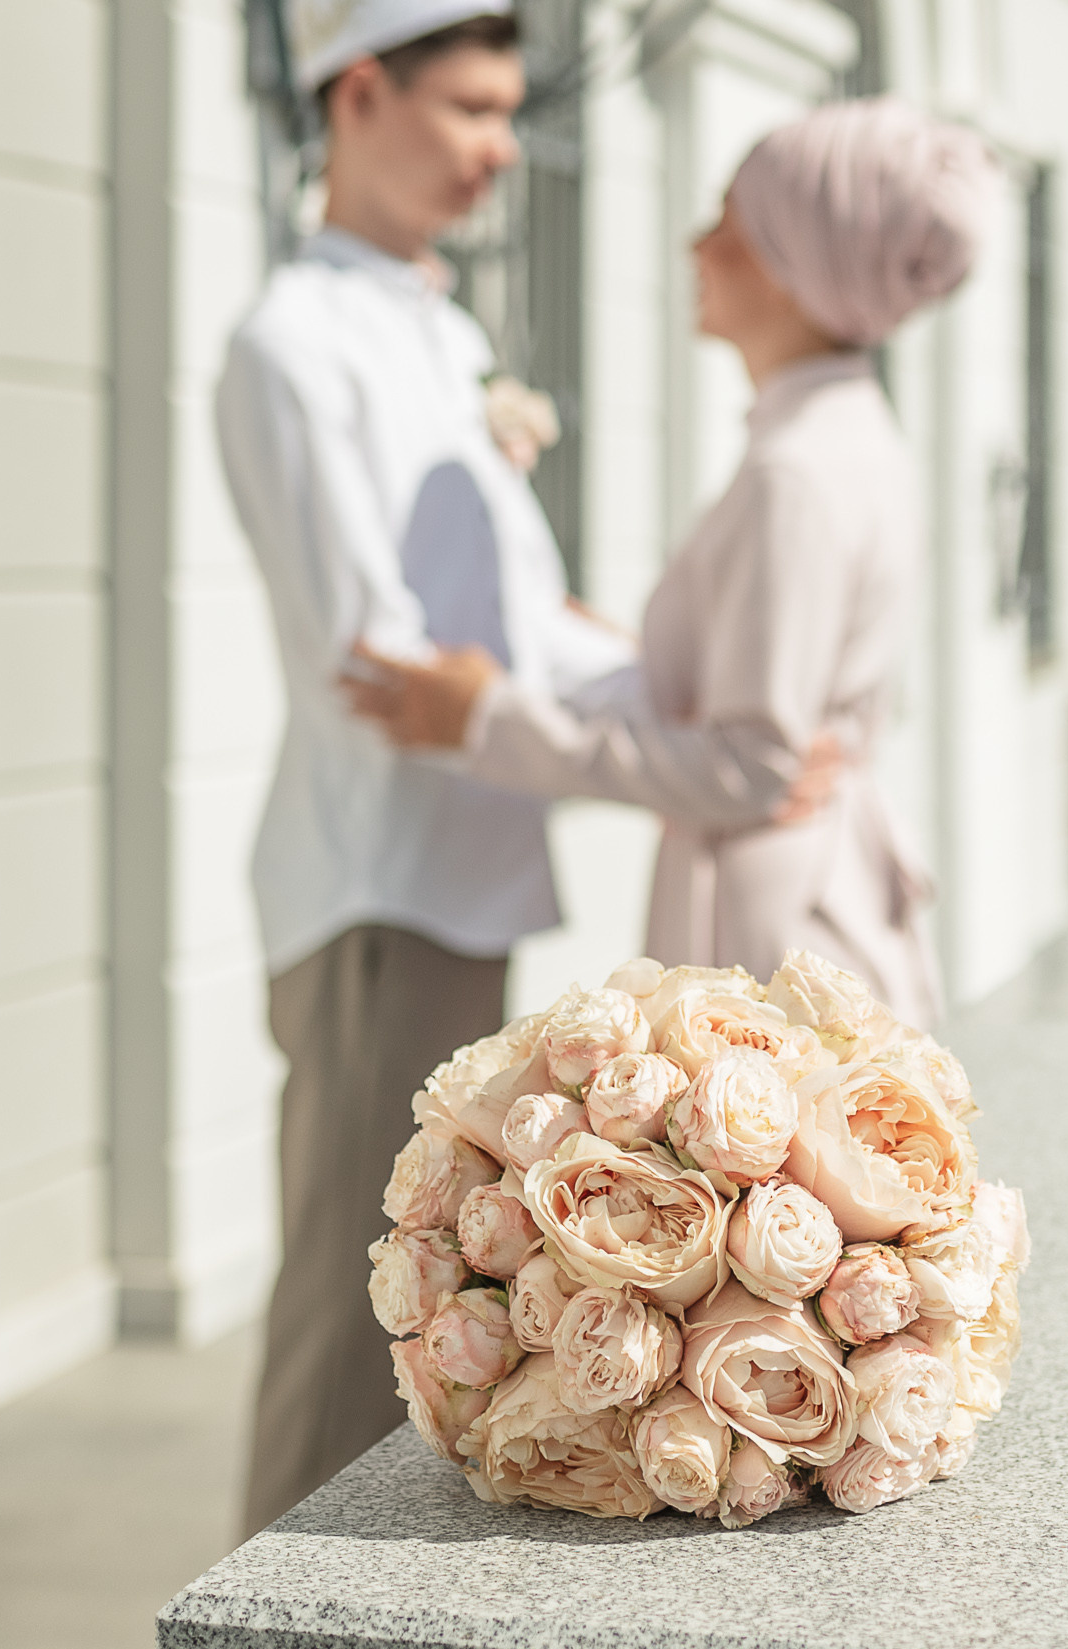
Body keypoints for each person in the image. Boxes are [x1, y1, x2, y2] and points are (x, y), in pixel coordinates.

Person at [205, 0, 630, 1649]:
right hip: (380, 891)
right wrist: (646, 726)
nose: (494, 149)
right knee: (340, 1331)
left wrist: (658, 692)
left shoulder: (427, 331)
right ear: (352, 94)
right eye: (464, 108)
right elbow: (382, 662)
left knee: (425, 1327)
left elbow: (504, 629)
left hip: (457, 883)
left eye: (507, 113)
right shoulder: (292, 343)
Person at [346, 96, 996, 1026]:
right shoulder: (846, 436)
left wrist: (488, 721)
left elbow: (750, 767)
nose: (698, 246)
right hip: (807, 893)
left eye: (729, 223)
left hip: (772, 937)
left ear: (791, 268)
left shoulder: (795, 473)